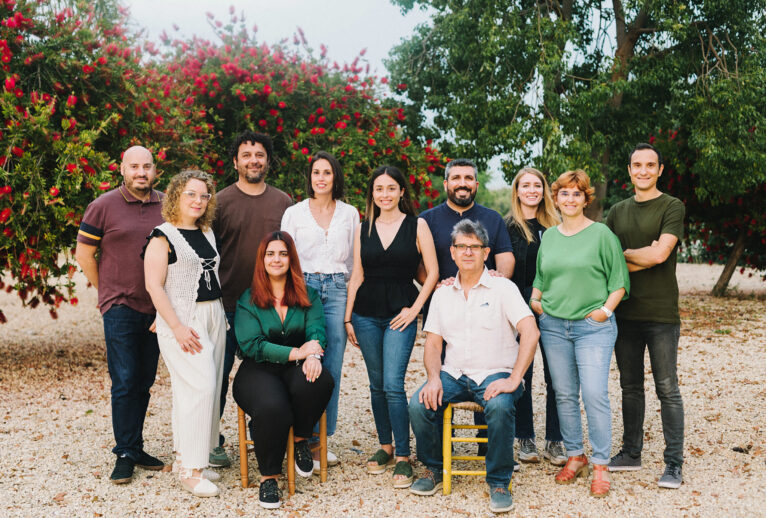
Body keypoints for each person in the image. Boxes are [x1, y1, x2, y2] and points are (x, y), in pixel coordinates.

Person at [408, 219, 539, 514]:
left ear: (486, 252)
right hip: (453, 373)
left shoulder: (503, 288)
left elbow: (531, 332)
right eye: (461, 247)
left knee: (502, 406)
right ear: (452, 253)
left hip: (496, 371)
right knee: (418, 404)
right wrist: (432, 378)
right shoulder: (442, 292)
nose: (467, 252)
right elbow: (433, 344)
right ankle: (433, 468)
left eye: (474, 247)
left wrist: (515, 378)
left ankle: (499, 481)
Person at [530, 169, 629, 498]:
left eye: (577, 194)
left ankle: (600, 463)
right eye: (564, 194)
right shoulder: (550, 237)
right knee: (564, 394)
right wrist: (535, 300)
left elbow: (619, 281)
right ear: (555, 198)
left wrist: (605, 312)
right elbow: (542, 277)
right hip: (554, 326)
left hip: (592, 328)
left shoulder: (601, 234)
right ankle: (575, 455)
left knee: (594, 394)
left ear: (586, 198)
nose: (569, 199)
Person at [75, 146, 165, 485]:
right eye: (134, 167)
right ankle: (125, 452)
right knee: (125, 381)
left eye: (147, 166)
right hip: (120, 307)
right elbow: (84, 254)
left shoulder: (167, 205)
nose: (141, 172)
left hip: (158, 308)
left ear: (155, 170)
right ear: (122, 170)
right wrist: (106, 293)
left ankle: (135, 445)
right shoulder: (103, 206)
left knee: (144, 380)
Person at [345, 165, 438, 488]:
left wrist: (414, 310)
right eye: (378, 189)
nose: (384, 194)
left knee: (393, 385)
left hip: (401, 313)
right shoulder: (363, 227)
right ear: (372, 194)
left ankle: (402, 455)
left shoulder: (417, 225)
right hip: (365, 314)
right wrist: (347, 318)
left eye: (390, 188)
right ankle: (384, 445)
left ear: (401, 191)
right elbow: (356, 275)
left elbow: (433, 273)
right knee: (375, 384)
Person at [418, 158, 515, 455]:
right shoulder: (428, 218)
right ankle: (439, 453)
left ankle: (487, 449)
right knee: (443, 375)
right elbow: (419, 264)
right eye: (456, 178)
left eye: (468, 178)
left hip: (484, 305)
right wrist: (435, 287)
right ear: (446, 183)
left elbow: (506, 257)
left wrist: (498, 281)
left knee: (484, 370)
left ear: (475, 184)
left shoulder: (492, 218)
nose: (463, 183)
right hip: (447, 306)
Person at [233, 231, 334, 509]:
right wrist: (297, 352)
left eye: (283, 253)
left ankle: (301, 437)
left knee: (320, 381)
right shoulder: (248, 299)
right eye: (270, 254)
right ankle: (269, 477)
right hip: (258, 369)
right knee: (272, 407)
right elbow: (253, 345)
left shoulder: (307, 294)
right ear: (261, 260)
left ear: (291, 259)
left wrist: (312, 353)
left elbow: (316, 330)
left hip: (298, 364)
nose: (276, 259)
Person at [605, 143, 686, 489]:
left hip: (661, 313)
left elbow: (660, 255)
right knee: (630, 386)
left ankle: (674, 464)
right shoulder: (616, 211)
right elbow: (608, 261)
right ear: (629, 170)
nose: (643, 171)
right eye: (637, 165)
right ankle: (631, 452)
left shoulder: (672, 206)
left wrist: (628, 256)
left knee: (667, 387)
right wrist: (641, 254)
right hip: (624, 312)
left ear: (660, 170)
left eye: (649, 165)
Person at [143, 170, 227, 497]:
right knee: (200, 386)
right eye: (191, 194)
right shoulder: (162, 236)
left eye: (204, 195)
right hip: (184, 321)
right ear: (176, 195)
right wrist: (174, 325)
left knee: (207, 386)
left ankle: (191, 460)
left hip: (213, 315)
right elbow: (154, 284)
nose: (198, 201)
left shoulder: (206, 232)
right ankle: (192, 472)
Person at [213, 130, 292, 465]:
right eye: (246, 155)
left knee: (275, 371)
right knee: (217, 375)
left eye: (259, 155)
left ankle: (281, 432)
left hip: (273, 306)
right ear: (235, 161)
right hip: (228, 304)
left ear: (268, 161)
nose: (253, 160)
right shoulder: (219, 202)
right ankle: (210, 439)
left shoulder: (284, 202)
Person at [281, 151, 359, 470]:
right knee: (303, 361)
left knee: (332, 368)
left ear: (335, 177)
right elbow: (284, 257)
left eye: (327, 172)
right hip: (303, 287)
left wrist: (349, 309)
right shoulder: (294, 213)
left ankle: (319, 441)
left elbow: (354, 263)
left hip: (338, 288)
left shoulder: (350, 213)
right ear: (310, 177)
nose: (321, 178)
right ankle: (296, 438)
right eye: (316, 172)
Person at [506, 167, 565, 466]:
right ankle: (524, 436)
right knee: (522, 374)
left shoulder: (559, 226)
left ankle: (555, 439)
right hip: (519, 307)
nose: (531, 190)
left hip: (555, 306)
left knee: (557, 374)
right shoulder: (507, 227)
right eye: (525, 185)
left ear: (544, 191)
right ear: (517, 191)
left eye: (537, 185)